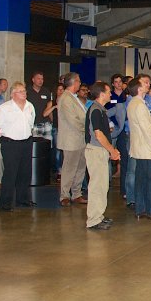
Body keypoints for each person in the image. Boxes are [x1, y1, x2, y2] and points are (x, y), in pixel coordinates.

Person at [0, 82, 36, 212]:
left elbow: (31, 124)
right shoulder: (4, 108)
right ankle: (6, 203)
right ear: (13, 94)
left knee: (25, 173)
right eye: (21, 91)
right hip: (10, 143)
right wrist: (5, 134)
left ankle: (22, 200)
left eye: (25, 91)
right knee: (10, 173)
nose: (24, 93)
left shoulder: (30, 106)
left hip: (26, 142)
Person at [83, 82, 119, 230]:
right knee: (97, 186)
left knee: (102, 185)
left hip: (100, 151)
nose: (111, 94)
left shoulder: (100, 109)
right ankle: (93, 220)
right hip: (96, 151)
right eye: (109, 91)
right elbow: (98, 135)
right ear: (102, 94)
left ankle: (99, 216)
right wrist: (112, 150)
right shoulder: (96, 110)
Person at [127, 76, 151, 221]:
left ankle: (140, 209)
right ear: (139, 88)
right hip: (146, 148)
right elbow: (147, 129)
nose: (148, 85)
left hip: (138, 148)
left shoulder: (133, 103)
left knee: (140, 179)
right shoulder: (140, 105)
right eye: (145, 84)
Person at [57, 72, 88, 206]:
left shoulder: (74, 97)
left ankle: (76, 193)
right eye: (79, 81)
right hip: (71, 139)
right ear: (73, 82)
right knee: (69, 168)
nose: (80, 84)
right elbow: (73, 121)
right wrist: (87, 129)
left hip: (80, 139)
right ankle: (64, 195)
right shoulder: (65, 99)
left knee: (80, 167)